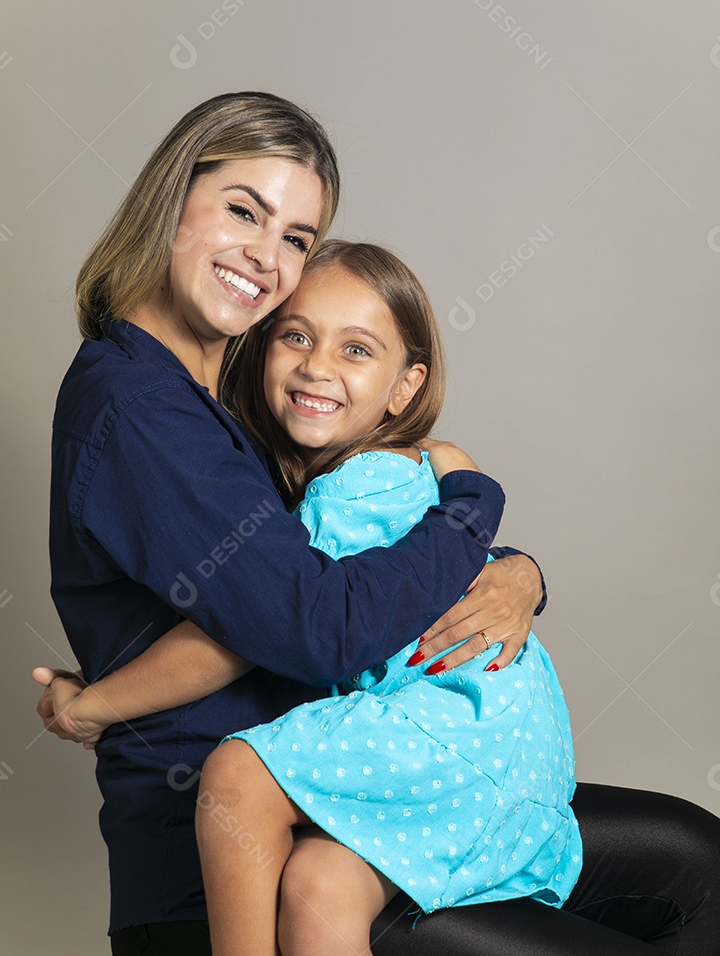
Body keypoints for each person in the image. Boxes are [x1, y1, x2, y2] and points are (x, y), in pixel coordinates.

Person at [34, 92, 720, 955]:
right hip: (246, 857)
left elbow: (340, 564)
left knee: (696, 861)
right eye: (244, 210)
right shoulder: (144, 410)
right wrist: (471, 513)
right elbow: (309, 622)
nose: (265, 254)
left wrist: (516, 572)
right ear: (174, 199)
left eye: (296, 238)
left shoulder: (222, 407)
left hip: (350, 796)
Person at [47, 240, 582, 955]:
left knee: (238, 775)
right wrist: (501, 540)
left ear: (405, 386)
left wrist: (91, 705)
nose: (318, 365)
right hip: (517, 746)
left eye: (356, 350)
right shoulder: (396, 471)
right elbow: (433, 569)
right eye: (295, 336)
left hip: (456, 731)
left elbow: (264, 630)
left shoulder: (353, 488)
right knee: (321, 885)